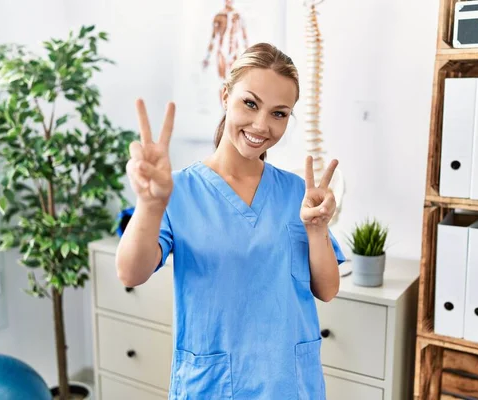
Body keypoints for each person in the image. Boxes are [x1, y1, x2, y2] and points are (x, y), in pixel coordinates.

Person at [116, 42, 346, 400]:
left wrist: (316, 230)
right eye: (250, 104)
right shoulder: (178, 190)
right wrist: (149, 203)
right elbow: (130, 273)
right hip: (214, 387)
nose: (261, 125)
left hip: (290, 385)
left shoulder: (297, 193)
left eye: (279, 113)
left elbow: (327, 290)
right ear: (225, 95)